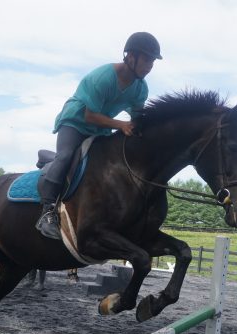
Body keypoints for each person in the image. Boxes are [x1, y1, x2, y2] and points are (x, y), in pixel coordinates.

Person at [36, 32, 162, 239]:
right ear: (130, 56)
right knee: (67, 156)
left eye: (152, 62)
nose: (149, 66)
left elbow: (137, 118)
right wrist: (120, 124)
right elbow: (90, 115)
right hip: (76, 122)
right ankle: (47, 212)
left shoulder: (141, 88)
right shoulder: (103, 78)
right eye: (147, 59)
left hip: (100, 128)